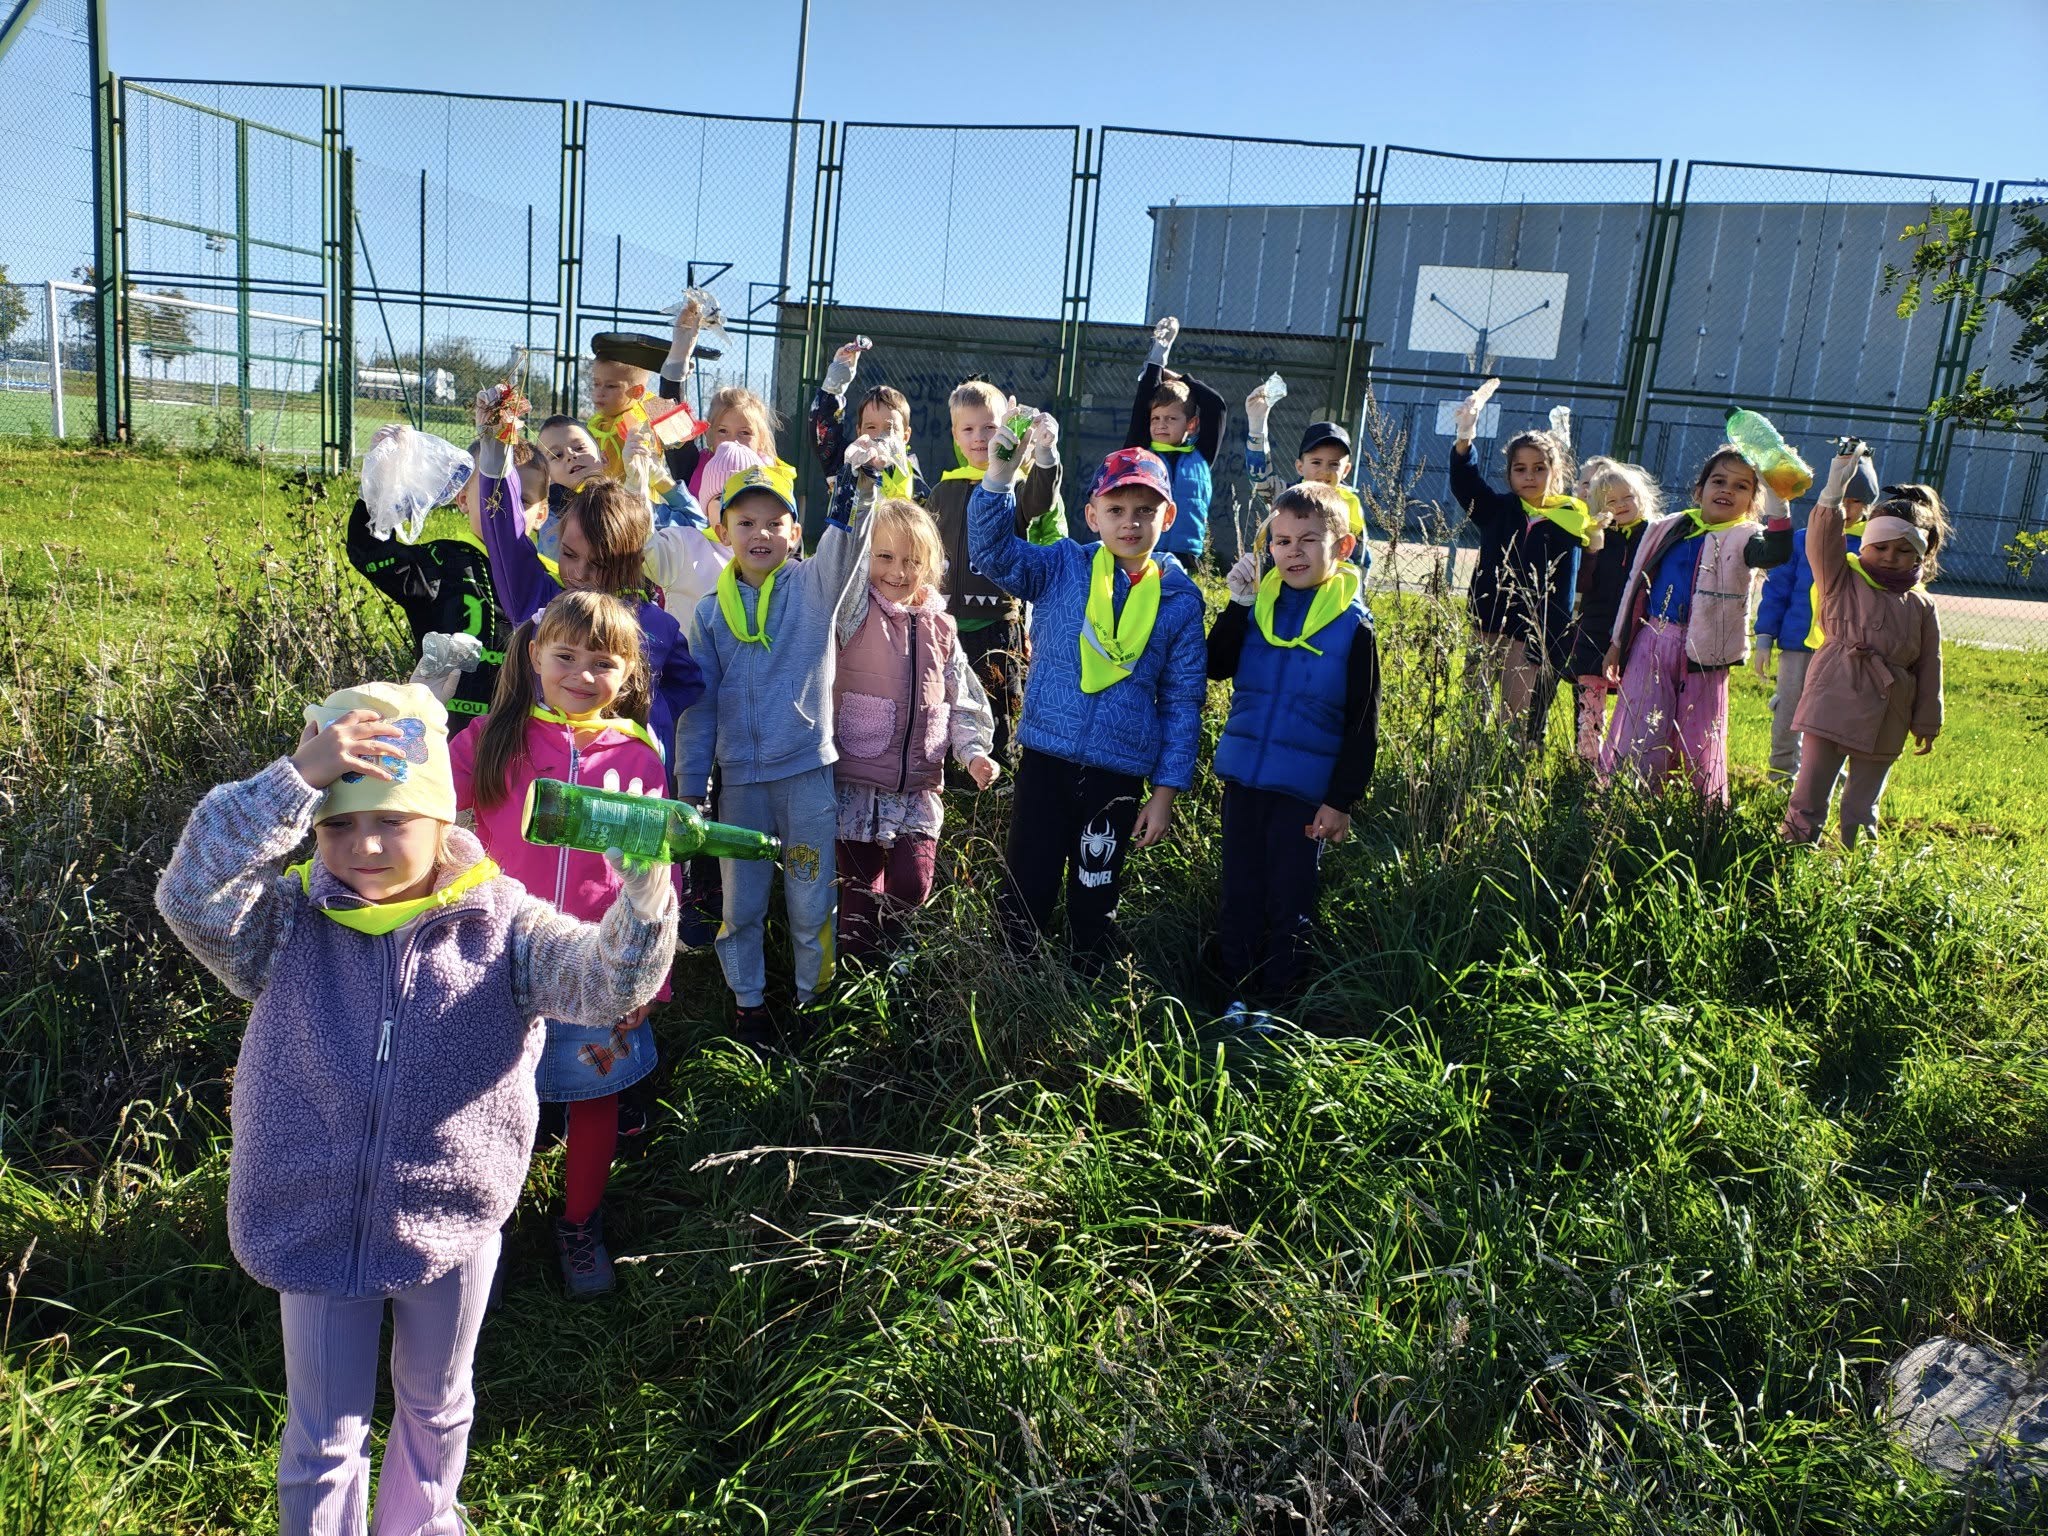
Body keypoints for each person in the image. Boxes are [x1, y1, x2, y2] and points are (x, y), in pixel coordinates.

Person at [154, 682, 675, 1534]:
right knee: (324, 1437)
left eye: (391, 821)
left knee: (436, 1407)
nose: (362, 845)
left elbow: (604, 985)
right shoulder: (285, 925)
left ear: (442, 820)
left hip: (452, 1224)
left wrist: (644, 902)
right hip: (312, 1221)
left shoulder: (505, 929)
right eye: (338, 825)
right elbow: (190, 893)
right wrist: (293, 779)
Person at [448, 591, 671, 1297]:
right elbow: (428, 806)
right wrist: (421, 707)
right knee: (485, 1100)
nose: (582, 674)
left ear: (629, 672)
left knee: (594, 1095)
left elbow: (659, 870)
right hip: (500, 954)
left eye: (602, 662)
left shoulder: (639, 755)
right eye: (565, 656)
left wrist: (650, 976)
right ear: (534, 655)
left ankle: (579, 1223)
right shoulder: (493, 737)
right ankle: (482, 1226)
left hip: (596, 961)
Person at [969, 437, 1206, 968]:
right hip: (1046, 758)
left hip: (1117, 772)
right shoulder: (1063, 566)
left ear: (1168, 517)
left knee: (1095, 890)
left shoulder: (1180, 600)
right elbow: (992, 554)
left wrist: (1165, 792)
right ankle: (1014, 978)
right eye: (1116, 509)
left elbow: (1182, 700)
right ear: (1092, 515)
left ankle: (1086, 981)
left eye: (1145, 511)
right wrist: (998, 481)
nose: (1130, 522)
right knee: (1026, 884)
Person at [678, 457, 877, 1043]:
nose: (760, 534)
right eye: (746, 523)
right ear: (724, 531)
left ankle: (814, 1001)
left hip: (807, 776)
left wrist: (861, 486)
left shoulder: (814, 587)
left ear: (795, 532)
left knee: (811, 896)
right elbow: (699, 707)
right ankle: (750, 1005)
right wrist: (692, 787)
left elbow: (847, 545)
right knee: (741, 905)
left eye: (774, 523)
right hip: (741, 785)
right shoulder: (710, 614)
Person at [1208, 482, 1380, 1015]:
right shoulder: (1258, 602)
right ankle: (1232, 997)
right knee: (1239, 891)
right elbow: (1215, 665)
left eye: (1309, 540)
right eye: (1282, 542)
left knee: (1290, 899)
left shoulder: (1354, 626)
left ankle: (1277, 1005)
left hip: (1305, 795)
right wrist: (1237, 604)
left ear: (1343, 547)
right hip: (1245, 781)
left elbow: (1363, 723)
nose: (1293, 553)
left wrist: (1340, 800)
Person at [472, 412, 705, 773]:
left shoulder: (656, 625)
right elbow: (506, 537)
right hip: (537, 786)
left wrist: (653, 719)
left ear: (632, 561)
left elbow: (687, 683)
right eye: (569, 554)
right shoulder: (541, 602)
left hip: (630, 789)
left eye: (598, 563)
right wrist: (495, 451)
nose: (579, 573)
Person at [832, 496, 1000, 960]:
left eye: (912, 561)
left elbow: (961, 697)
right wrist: (860, 491)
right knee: (858, 893)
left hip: (917, 785)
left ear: (930, 565)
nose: (898, 572)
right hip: (857, 781)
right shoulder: (853, 611)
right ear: (865, 558)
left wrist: (973, 752)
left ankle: (890, 946)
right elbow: (842, 559)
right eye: (884, 557)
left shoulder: (942, 627)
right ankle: (859, 979)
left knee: (914, 882)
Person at [1599, 445, 1794, 801]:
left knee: (1699, 732)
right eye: (1718, 481)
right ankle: (1632, 798)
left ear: (1753, 502)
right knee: (1643, 723)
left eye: (1741, 486)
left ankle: (1700, 807)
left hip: (1705, 655)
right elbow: (1634, 587)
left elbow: (1777, 553)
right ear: (1699, 490)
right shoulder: (1668, 528)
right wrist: (1617, 643)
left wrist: (1779, 504)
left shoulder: (1746, 538)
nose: (1727, 491)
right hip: (1652, 641)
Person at [1781, 456, 1945, 846]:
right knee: (1809, 793)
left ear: (1921, 554)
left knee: (1863, 802)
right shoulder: (1840, 577)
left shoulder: (1921, 605)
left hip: (1889, 711)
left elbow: (1929, 666)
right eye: (1881, 546)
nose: (1890, 556)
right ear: (1866, 543)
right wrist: (1832, 492)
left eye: (1903, 550)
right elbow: (1822, 538)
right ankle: (1794, 849)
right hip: (1832, 699)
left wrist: (1927, 722)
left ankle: (1857, 860)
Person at [927, 379, 1066, 762]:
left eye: (989, 427)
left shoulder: (1015, 485)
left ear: (1005, 429)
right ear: (955, 435)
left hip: (997, 621)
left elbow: (1040, 500)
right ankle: (953, 770)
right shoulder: (943, 490)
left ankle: (999, 772)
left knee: (997, 703)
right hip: (946, 621)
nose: (978, 437)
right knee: (947, 700)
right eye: (968, 429)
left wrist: (1045, 454)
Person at [1448, 403, 1591, 738]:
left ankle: (1513, 761)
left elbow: (1565, 587)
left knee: (1516, 714)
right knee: (1474, 705)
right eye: (1520, 468)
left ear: (1555, 472)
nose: (1529, 476)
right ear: (1509, 473)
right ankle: (1467, 757)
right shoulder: (1496, 509)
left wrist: (1550, 639)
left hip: (1529, 635)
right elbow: (1465, 483)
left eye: (1539, 468)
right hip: (1487, 622)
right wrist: (1465, 435)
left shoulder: (1568, 520)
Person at [1752, 448, 1882, 783]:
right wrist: (1765, 637)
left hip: (1844, 651)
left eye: (1856, 501)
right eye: (1843, 499)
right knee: (1788, 709)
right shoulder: (1803, 540)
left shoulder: (1872, 547)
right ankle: (1781, 774)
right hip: (1797, 647)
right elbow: (1778, 589)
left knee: (1835, 715)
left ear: (1868, 505)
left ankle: (1827, 778)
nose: (1847, 508)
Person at [346, 484, 514, 733]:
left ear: (542, 513)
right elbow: (371, 551)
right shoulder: (441, 561)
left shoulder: (549, 579)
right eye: (492, 498)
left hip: (516, 738)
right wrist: (384, 482)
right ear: (464, 500)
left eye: (522, 500)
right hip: (443, 732)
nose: (506, 509)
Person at [1567, 463, 1660, 761]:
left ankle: (1621, 763)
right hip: (1594, 633)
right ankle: (1588, 764)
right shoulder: (1596, 536)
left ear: (1641, 497)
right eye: (1611, 500)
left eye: (1627, 497)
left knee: (1632, 708)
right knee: (1590, 710)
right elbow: (1582, 583)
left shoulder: (1653, 536)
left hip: (1637, 636)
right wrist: (1592, 547)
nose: (1620, 504)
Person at [1123, 316, 1226, 564]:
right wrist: (1158, 358)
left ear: (1191, 424)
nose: (1161, 424)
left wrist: (1180, 379)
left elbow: (1215, 405)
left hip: (1186, 555)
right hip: (1143, 551)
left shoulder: (1201, 455)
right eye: (1156, 418)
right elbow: (1142, 403)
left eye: (1171, 418)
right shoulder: (1140, 453)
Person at [809, 336, 926, 499]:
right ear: (859, 432)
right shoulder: (846, 463)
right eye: (871, 427)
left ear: (905, 436)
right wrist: (834, 384)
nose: (880, 436)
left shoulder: (914, 480)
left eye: (890, 428)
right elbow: (823, 429)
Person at [1245, 411, 1368, 564]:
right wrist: (1257, 423)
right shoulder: (1286, 495)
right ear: (1300, 466)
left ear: (1346, 470)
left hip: (1332, 578)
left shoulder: (1350, 503)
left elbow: (1361, 554)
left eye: (1334, 464)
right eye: (1316, 462)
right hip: (1284, 576)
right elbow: (1260, 478)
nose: (1325, 471)